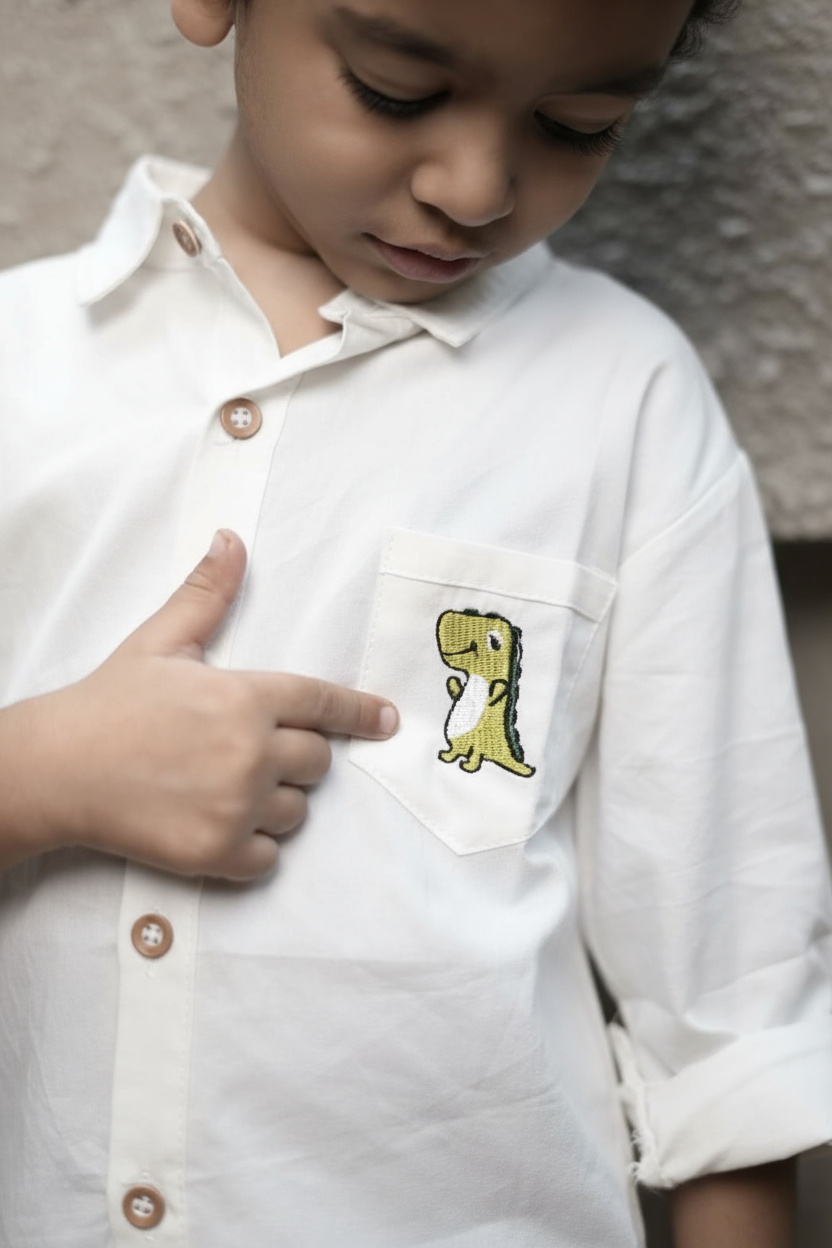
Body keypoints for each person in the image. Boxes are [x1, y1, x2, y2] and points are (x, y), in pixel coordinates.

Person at [0, 0, 830, 1243]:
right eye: (395, 90)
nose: (475, 188)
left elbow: (729, 1000)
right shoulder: (20, 371)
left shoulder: (624, 399)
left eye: (578, 123)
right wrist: (34, 779)